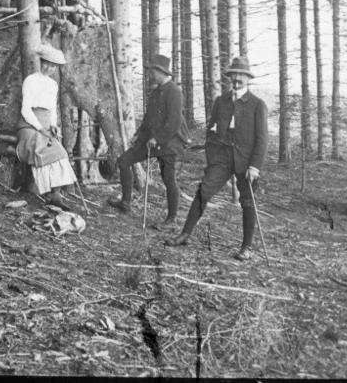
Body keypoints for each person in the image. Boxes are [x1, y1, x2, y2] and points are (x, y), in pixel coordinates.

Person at [165, 56, 268, 261]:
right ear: (230, 78)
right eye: (234, 75)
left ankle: (246, 247)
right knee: (204, 190)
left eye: (242, 76)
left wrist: (255, 166)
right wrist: (212, 156)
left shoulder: (257, 105)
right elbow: (211, 130)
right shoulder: (221, 101)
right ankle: (185, 234)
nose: (237, 79)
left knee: (247, 201)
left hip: (246, 160)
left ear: (248, 78)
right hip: (222, 156)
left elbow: (262, 139)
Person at [107, 53, 189, 227]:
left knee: (168, 179)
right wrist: (139, 134)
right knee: (124, 161)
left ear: (161, 72)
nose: (150, 74)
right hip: (149, 140)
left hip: (169, 143)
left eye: (153, 71)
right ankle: (126, 202)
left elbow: (173, 123)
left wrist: (158, 139)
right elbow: (149, 118)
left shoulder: (174, 92)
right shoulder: (155, 91)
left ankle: (171, 218)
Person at [15, 44, 77, 209]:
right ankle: (47, 192)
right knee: (41, 148)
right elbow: (25, 110)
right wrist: (40, 128)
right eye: (46, 64)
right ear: (41, 62)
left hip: (45, 126)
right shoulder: (31, 80)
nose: (49, 68)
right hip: (28, 125)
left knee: (60, 152)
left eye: (53, 66)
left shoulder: (53, 85)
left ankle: (55, 194)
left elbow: (52, 110)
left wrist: (53, 125)